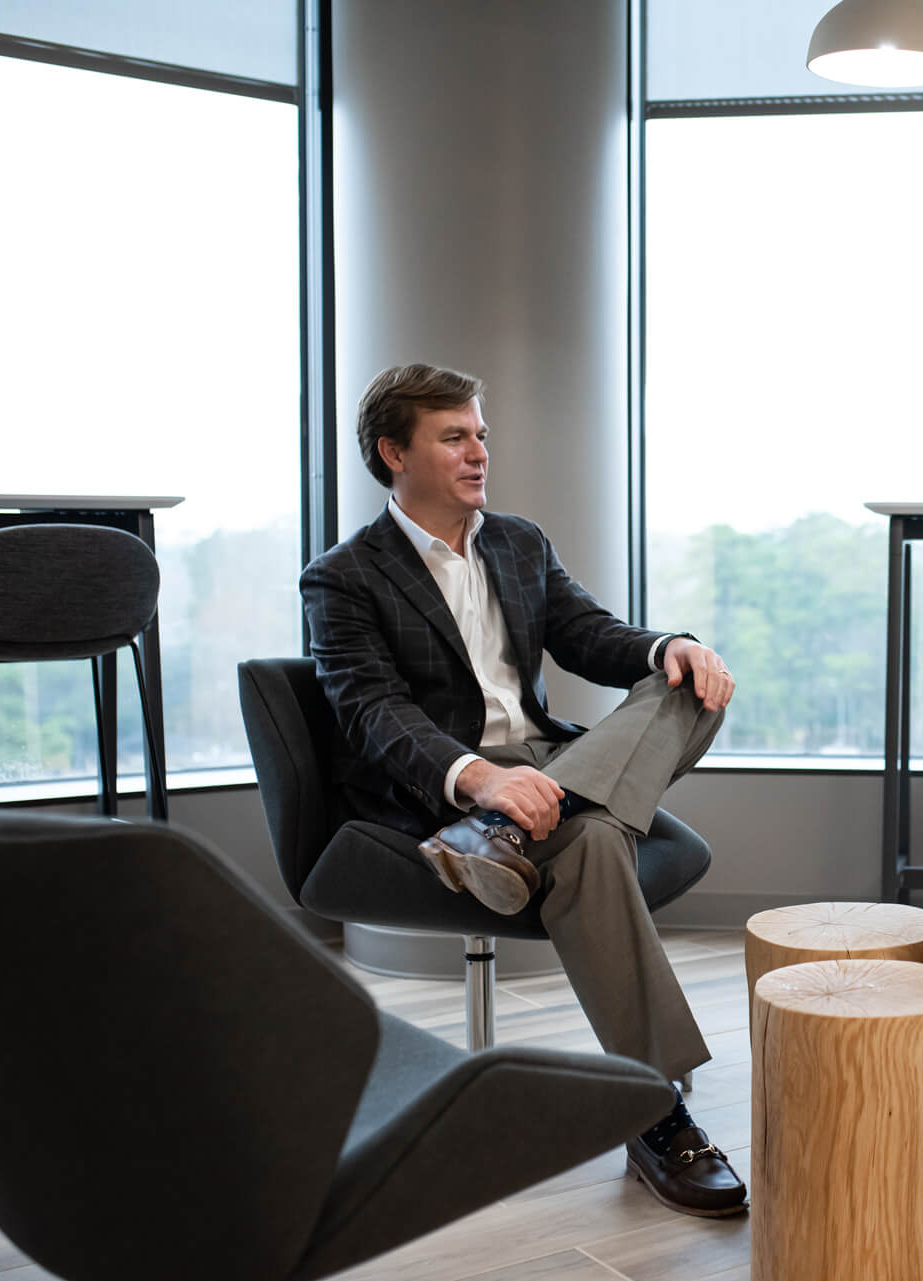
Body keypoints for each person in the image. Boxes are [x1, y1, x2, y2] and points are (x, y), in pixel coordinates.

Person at [301, 363, 746, 1219]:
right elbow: (371, 711)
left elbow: (588, 634)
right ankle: (657, 1110)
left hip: (543, 762)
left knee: (690, 681)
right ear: (395, 452)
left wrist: (668, 647)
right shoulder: (344, 576)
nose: (479, 452)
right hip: (444, 783)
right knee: (590, 846)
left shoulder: (518, 541)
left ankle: (513, 834)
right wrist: (479, 778)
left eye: (482, 434)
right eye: (454, 436)